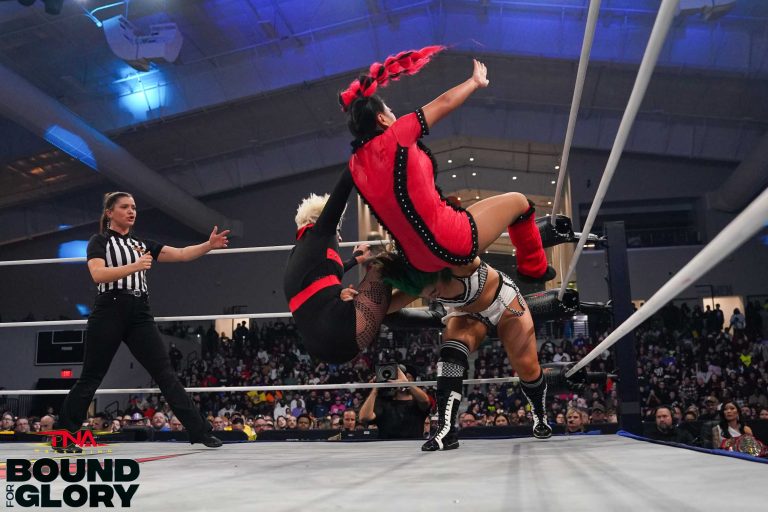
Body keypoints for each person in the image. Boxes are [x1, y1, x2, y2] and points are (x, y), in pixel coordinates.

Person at [340, 46, 576, 281]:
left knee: (463, 214)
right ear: (382, 119)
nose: (395, 115)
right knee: (519, 202)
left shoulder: (355, 165)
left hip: (417, 260)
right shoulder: (397, 134)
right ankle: (534, 269)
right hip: (451, 242)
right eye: (390, 111)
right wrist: (474, 82)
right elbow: (445, 102)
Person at [56, 191, 226, 452]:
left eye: (133, 207)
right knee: (91, 376)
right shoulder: (99, 241)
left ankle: (201, 431)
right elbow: (98, 274)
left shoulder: (140, 243)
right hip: (110, 308)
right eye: (125, 207)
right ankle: (64, 436)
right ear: (110, 212)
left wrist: (207, 245)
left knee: (165, 373)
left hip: (140, 313)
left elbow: (181, 254)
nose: (131, 211)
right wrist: (135, 267)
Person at [375, 252, 553, 451]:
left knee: (527, 367)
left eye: (432, 290)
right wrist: (354, 301)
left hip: (503, 302)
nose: (431, 296)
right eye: (424, 293)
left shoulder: (459, 264)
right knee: (451, 352)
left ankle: (540, 413)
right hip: (466, 313)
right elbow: (380, 308)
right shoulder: (419, 284)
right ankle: (446, 430)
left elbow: (472, 244)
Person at [359, 366, 431, 439]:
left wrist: (406, 384)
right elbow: (364, 417)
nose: (399, 379)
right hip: (387, 444)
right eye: (396, 377)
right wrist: (376, 388)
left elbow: (425, 401)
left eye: (406, 377)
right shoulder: (384, 402)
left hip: (412, 444)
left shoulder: (416, 403)